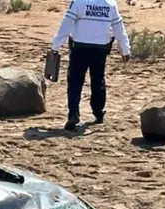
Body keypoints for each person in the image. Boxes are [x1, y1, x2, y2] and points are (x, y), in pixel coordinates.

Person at [51, 0, 131, 131]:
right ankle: (98, 113)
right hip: (100, 50)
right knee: (98, 81)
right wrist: (125, 50)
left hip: (79, 48)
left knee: (75, 81)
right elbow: (119, 29)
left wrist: (55, 46)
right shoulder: (110, 4)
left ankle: (73, 114)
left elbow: (66, 25)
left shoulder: (79, 2)